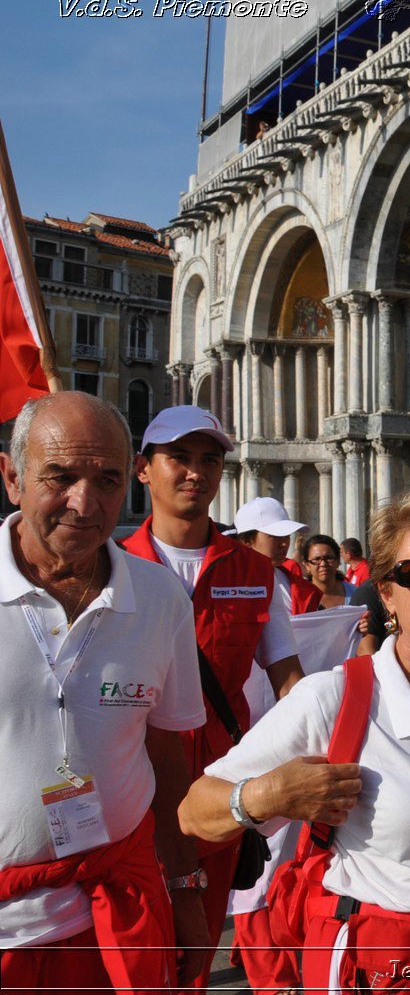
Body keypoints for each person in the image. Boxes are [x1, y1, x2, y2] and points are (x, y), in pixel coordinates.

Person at [179, 486, 410, 992]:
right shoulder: (334, 698)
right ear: (386, 592)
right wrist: (269, 796)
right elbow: (194, 814)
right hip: (389, 971)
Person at [0, 392, 208, 991]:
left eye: (107, 479)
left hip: (113, 919)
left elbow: (169, 758)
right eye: (59, 477)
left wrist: (186, 893)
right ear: (12, 478)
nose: (84, 503)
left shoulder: (161, 597)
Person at [122, 405, 306, 989]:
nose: (195, 472)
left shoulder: (256, 571)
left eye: (209, 459)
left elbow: (291, 684)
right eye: (179, 457)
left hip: (218, 788)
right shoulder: (112, 566)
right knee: (135, 948)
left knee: (195, 949)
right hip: (133, 790)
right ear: (143, 469)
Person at [234, 496, 321, 615]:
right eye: (275, 536)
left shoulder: (299, 587)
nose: (284, 544)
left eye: (287, 535)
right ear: (247, 540)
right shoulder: (226, 587)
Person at [303, 533, 356, 610]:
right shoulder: (298, 597)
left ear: (338, 561)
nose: (323, 564)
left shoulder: (355, 594)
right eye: (317, 559)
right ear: (307, 565)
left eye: (329, 558)